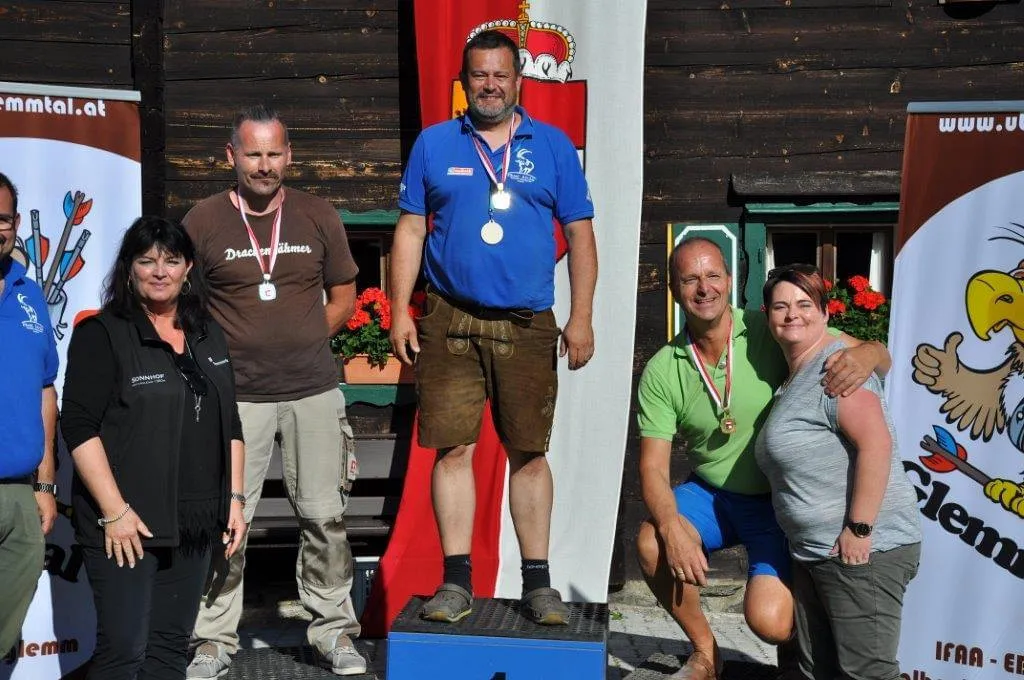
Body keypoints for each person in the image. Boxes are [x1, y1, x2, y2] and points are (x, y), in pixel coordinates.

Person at [389, 29, 597, 625]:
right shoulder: (434, 144)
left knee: (528, 452)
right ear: (464, 82)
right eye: (479, 75)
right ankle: (456, 582)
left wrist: (581, 316)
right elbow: (411, 229)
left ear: (518, 81)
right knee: (453, 449)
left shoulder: (553, 147)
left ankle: (538, 584)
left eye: (500, 75)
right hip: (449, 318)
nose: (490, 85)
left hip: (527, 323)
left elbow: (580, 234)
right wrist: (400, 309)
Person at [635, 238, 891, 680]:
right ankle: (705, 653)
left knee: (771, 623)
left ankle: (799, 654)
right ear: (675, 290)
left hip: (778, 501)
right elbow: (653, 467)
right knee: (651, 541)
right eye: (690, 279)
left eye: (713, 275)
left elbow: (878, 356)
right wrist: (672, 526)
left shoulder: (767, 326)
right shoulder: (664, 367)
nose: (704, 288)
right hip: (714, 495)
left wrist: (870, 352)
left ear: (729, 280)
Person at [183, 105, 365, 677]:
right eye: (253, 154)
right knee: (226, 519)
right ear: (231, 156)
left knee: (325, 518)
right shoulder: (204, 220)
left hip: (312, 390)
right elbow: (183, 302)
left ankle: (334, 632)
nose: (264, 165)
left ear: (290, 155)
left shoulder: (317, 214)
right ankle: (213, 639)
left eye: (274, 153)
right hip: (235, 399)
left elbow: (344, 295)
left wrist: (305, 339)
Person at [61, 216, 246, 679]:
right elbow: (79, 428)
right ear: (129, 269)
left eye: (172, 261)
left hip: (196, 522)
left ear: (188, 269)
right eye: (147, 261)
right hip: (128, 525)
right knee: (124, 652)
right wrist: (114, 511)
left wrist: (235, 499)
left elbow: (231, 421)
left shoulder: (208, 332)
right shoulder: (102, 333)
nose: (160, 272)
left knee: (169, 651)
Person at [755, 263, 921, 680]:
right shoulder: (797, 376)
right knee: (820, 671)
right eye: (781, 306)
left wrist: (859, 529)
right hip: (816, 553)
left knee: (867, 673)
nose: (792, 314)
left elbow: (876, 444)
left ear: (825, 312)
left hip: (861, 552)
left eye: (804, 304)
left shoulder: (837, 368)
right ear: (767, 316)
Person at [0, 171, 59, 656]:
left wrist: (45, 484)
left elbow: (45, 391)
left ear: (16, 224)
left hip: (20, 495)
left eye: (1, 219)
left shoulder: (30, 294)